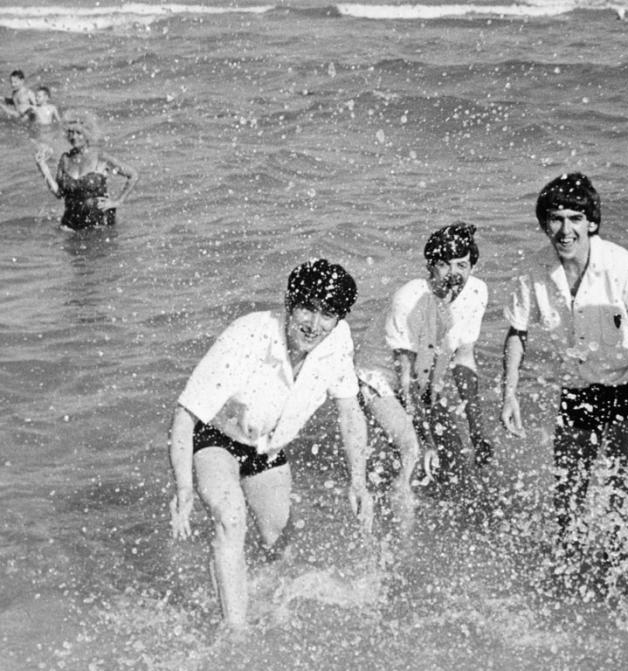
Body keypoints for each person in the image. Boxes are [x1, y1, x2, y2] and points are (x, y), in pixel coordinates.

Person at [168, 259, 374, 630]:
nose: (314, 324)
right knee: (231, 519)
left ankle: (257, 600)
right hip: (217, 439)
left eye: (327, 314)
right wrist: (183, 488)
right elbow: (185, 416)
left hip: (268, 449)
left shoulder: (338, 341)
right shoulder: (247, 335)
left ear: (340, 319)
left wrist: (358, 481)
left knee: (277, 539)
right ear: (289, 303)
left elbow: (350, 413)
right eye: (307, 309)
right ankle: (236, 633)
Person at [500, 172, 628, 563]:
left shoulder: (623, 267)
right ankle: (567, 572)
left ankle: (617, 571)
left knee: (619, 497)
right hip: (577, 389)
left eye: (575, 218)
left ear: (591, 222)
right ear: (544, 224)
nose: (565, 229)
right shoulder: (533, 271)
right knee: (567, 495)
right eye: (555, 218)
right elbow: (517, 332)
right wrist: (509, 394)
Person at [355, 223, 492, 497]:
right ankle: (401, 538)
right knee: (413, 453)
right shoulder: (409, 299)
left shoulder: (477, 293)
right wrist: (426, 439)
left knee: (456, 464)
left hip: (424, 382)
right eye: (444, 265)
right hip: (379, 380)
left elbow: (464, 360)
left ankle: (447, 531)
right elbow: (407, 381)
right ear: (430, 266)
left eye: (462, 265)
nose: (454, 275)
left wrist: (477, 429)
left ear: (472, 267)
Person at [34, 109, 138, 231]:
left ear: (88, 134)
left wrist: (117, 201)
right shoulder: (65, 159)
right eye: (70, 132)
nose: (73, 137)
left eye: (78, 133)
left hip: (100, 225)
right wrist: (43, 168)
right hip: (71, 225)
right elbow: (59, 193)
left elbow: (132, 175)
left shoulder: (100, 156)